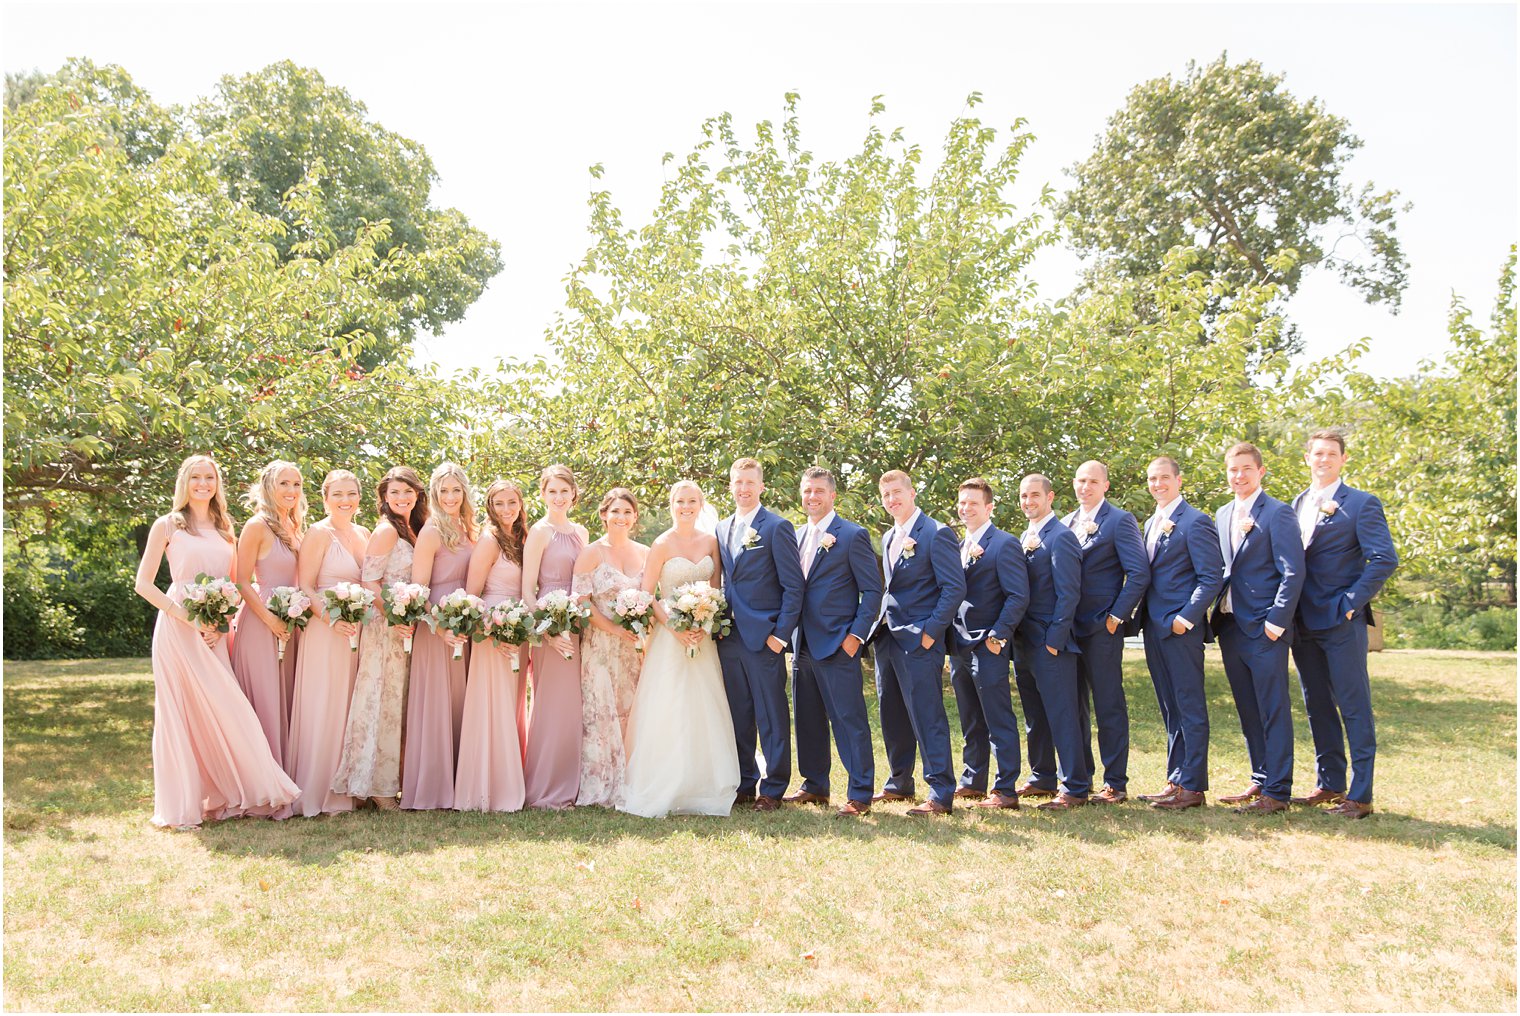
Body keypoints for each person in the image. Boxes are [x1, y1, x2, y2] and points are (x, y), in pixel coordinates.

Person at [134, 454, 298, 829]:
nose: (203, 484)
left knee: (228, 709)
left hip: (217, 632)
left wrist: (221, 619)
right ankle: (183, 803)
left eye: (210, 477)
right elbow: (143, 584)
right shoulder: (168, 525)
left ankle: (243, 791)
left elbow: (237, 582)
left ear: (217, 483)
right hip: (178, 629)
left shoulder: (227, 529)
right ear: (184, 482)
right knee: (181, 713)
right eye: (196, 477)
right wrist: (186, 616)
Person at [1289, 430, 1398, 819]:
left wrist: (1351, 603)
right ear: (1307, 458)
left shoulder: (1361, 504)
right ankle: (1329, 783)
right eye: (1317, 453)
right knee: (1316, 704)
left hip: (1340, 622)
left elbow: (1384, 559)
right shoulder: (1297, 503)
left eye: (1331, 454)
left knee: (1354, 706)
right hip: (1301, 623)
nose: (1323, 459)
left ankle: (1361, 794)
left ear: (1342, 459)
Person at [619, 481, 740, 818]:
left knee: (705, 706)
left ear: (700, 504)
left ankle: (703, 782)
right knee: (670, 706)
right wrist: (675, 628)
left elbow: (715, 589)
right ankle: (667, 780)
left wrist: (703, 624)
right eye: (680, 501)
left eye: (692, 501)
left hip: (702, 638)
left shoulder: (711, 542)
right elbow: (649, 594)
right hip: (670, 639)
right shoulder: (661, 544)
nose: (686, 506)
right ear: (671, 504)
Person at [1211, 442, 1305, 815]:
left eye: (1246, 469)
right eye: (1233, 470)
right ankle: (1261, 776)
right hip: (1231, 625)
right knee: (1248, 708)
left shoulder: (1278, 514)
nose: (1239, 476)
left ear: (1260, 471)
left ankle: (1278, 792)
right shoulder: (1222, 514)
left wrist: (1275, 623)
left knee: (1273, 708)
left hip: (1265, 628)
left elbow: (1292, 572)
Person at [788, 467, 883, 817]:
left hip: (838, 644)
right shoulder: (794, 535)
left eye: (819, 491)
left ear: (832, 497)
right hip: (802, 645)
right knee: (807, 719)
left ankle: (860, 794)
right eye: (807, 491)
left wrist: (855, 637)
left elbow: (873, 591)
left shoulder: (852, 535)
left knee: (849, 720)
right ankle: (814, 786)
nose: (812, 497)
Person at [331, 465, 427, 809]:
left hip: (403, 626)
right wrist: (395, 614)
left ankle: (390, 780)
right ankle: (377, 787)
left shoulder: (413, 528)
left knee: (398, 702)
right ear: (384, 499)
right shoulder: (386, 531)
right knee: (382, 701)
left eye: (408, 491)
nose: (402, 498)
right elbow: (369, 582)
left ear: (417, 494)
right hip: (384, 626)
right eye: (394, 493)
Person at [871, 469, 965, 816]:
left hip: (919, 641)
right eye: (886, 496)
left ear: (912, 493)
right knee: (892, 714)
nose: (892, 500)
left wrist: (930, 632)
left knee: (927, 715)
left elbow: (954, 588)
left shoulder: (936, 533)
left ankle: (940, 791)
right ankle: (899, 782)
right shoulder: (888, 537)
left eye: (897, 492)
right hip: (887, 639)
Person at [1135, 456, 1223, 811]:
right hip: (1153, 628)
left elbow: (1211, 577)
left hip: (1179, 629)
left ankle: (1194, 786)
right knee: (1170, 706)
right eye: (1152, 479)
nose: (1158, 484)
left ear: (1178, 480)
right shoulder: (1150, 522)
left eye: (1164, 478)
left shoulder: (1196, 521)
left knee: (1189, 705)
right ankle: (1175, 778)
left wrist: (1186, 618)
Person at [715, 458, 804, 811]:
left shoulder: (777, 527)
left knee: (771, 714)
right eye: (738, 482)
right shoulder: (722, 529)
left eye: (750, 483)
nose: (743, 489)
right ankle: (745, 782)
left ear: (761, 487)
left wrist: (780, 636)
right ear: (731, 486)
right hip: (728, 636)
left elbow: (793, 587)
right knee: (738, 713)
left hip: (764, 637)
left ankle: (774, 787)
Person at [1061, 460, 1150, 804]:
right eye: (1081, 480)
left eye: (1093, 481)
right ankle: (1080, 778)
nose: (1086, 487)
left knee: (1108, 704)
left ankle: (1115, 782)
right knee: (1074, 705)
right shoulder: (1066, 523)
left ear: (1105, 486)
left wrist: (1116, 615)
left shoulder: (1119, 520)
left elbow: (1138, 572)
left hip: (1102, 628)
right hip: (1068, 629)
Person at [284, 469, 371, 817]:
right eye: (337, 494)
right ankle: (318, 790)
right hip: (326, 629)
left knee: (350, 706)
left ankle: (348, 786)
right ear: (324, 498)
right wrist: (331, 619)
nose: (345, 500)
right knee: (325, 704)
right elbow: (305, 585)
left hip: (355, 631)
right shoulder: (318, 534)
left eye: (351, 494)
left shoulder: (364, 534)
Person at [947, 477, 1029, 810]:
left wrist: (999, 635)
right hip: (959, 646)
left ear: (989, 507)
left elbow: (1017, 595)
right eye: (962, 503)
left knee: (998, 718)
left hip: (988, 644)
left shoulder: (1004, 543)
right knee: (970, 718)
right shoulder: (957, 545)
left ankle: (1005, 789)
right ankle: (972, 781)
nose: (966, 509)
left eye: (973, 503)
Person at [401, 462, 479, 810]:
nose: (450, 497)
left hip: (466, 624)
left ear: (465, 493)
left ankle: (462, 778)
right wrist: (442, 627)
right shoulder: (431, 531)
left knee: (462, 701)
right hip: (436, 629)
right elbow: (419, 589)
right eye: (443, 490)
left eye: (456, 490)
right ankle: (433, 786)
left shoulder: (471, 529)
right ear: (434, 494)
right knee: (437, 702)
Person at [1012, 473, 1090, 810]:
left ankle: (1074, 786)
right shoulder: (1024, 536)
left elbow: (1069, 593)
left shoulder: (1062, 537)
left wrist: (1054, 641)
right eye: (1023, 496)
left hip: (1050, 643)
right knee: (1035, 714)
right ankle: (1042, 775)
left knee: (1062, 714)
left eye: (1034, 495)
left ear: (1050, 497)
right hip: (1024, 643)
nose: (1028, 501)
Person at [454, 479, 531, 812]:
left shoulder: (521, 538)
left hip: (519, 628)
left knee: (513, 706)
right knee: (493, 706)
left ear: (521, 503)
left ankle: (512, 779)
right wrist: (495, 629)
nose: (506, 509)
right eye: (499, 503)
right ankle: (488, 788)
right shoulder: (488, 542)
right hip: (493, 631)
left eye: (511, 502)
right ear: (489, 506)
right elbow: (472, 595)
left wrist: (518, 627)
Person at [571, 488, 649, 807]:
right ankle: (602, 781)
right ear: (603, 515)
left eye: (627, 512)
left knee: (632, 710)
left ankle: (635, 777)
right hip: (601, 643)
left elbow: (651, 598)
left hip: (634, 646)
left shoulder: (645, 552)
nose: (621, 517)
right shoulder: (591, 553)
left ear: (635, 518)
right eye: (615, 511)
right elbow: (583, 605)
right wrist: (616, 628)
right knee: (602, 712)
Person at [230, 460, 307, 767]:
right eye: (284, 484)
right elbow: (240, 580)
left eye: (296, 484)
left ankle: (285, 772)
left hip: (292, 618)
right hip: (262, 619)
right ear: (268, 487)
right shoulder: (256, 526)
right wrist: (270, 619)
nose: (291, 490)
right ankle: (260, 774)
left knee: (284, 695)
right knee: (263, 697)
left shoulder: (296, 527)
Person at [521, 464, 589, 809]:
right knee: (550, 705)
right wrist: (546, 633)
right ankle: (545, 787)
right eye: (552, 491)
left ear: (573, 494)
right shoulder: (539, 532)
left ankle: (572, 785)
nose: (558, 497)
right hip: (550, 629)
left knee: (573, 708)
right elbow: (527, 590)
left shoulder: (582, 532)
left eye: (564, 491)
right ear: (543, 494)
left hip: (577, 627)